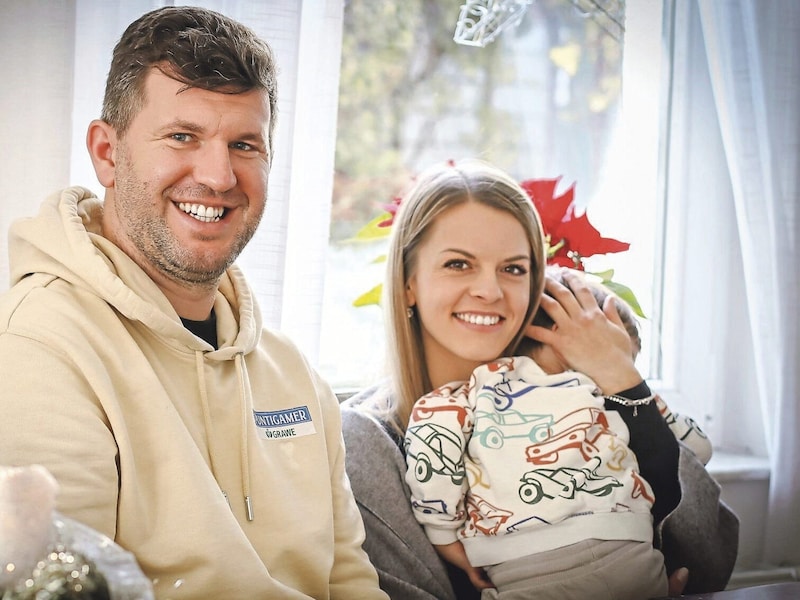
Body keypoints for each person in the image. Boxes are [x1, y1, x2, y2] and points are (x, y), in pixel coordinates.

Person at [0, 6, 387, 599]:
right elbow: (62, 590)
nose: (219, 176)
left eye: (245, 144)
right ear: (107, 152)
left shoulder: (293, 375)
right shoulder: (41, 347)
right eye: (183, 136)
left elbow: (352, 584)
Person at [341, 159, 738, 599]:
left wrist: (623, 381)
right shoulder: (366, 440)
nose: (489, 291)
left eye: (513, 269)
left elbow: (708, 563)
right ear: (408, 283)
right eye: (458, 264)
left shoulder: (579, 394)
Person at [403, 270, 714, 599]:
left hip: (516, 565)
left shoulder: (472, 391)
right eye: (620, 351)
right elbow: (697, 451)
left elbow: (433, 443)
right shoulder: (606, 391)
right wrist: (625, 377)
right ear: (566, 332)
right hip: (628, 553)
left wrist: (444, 538)